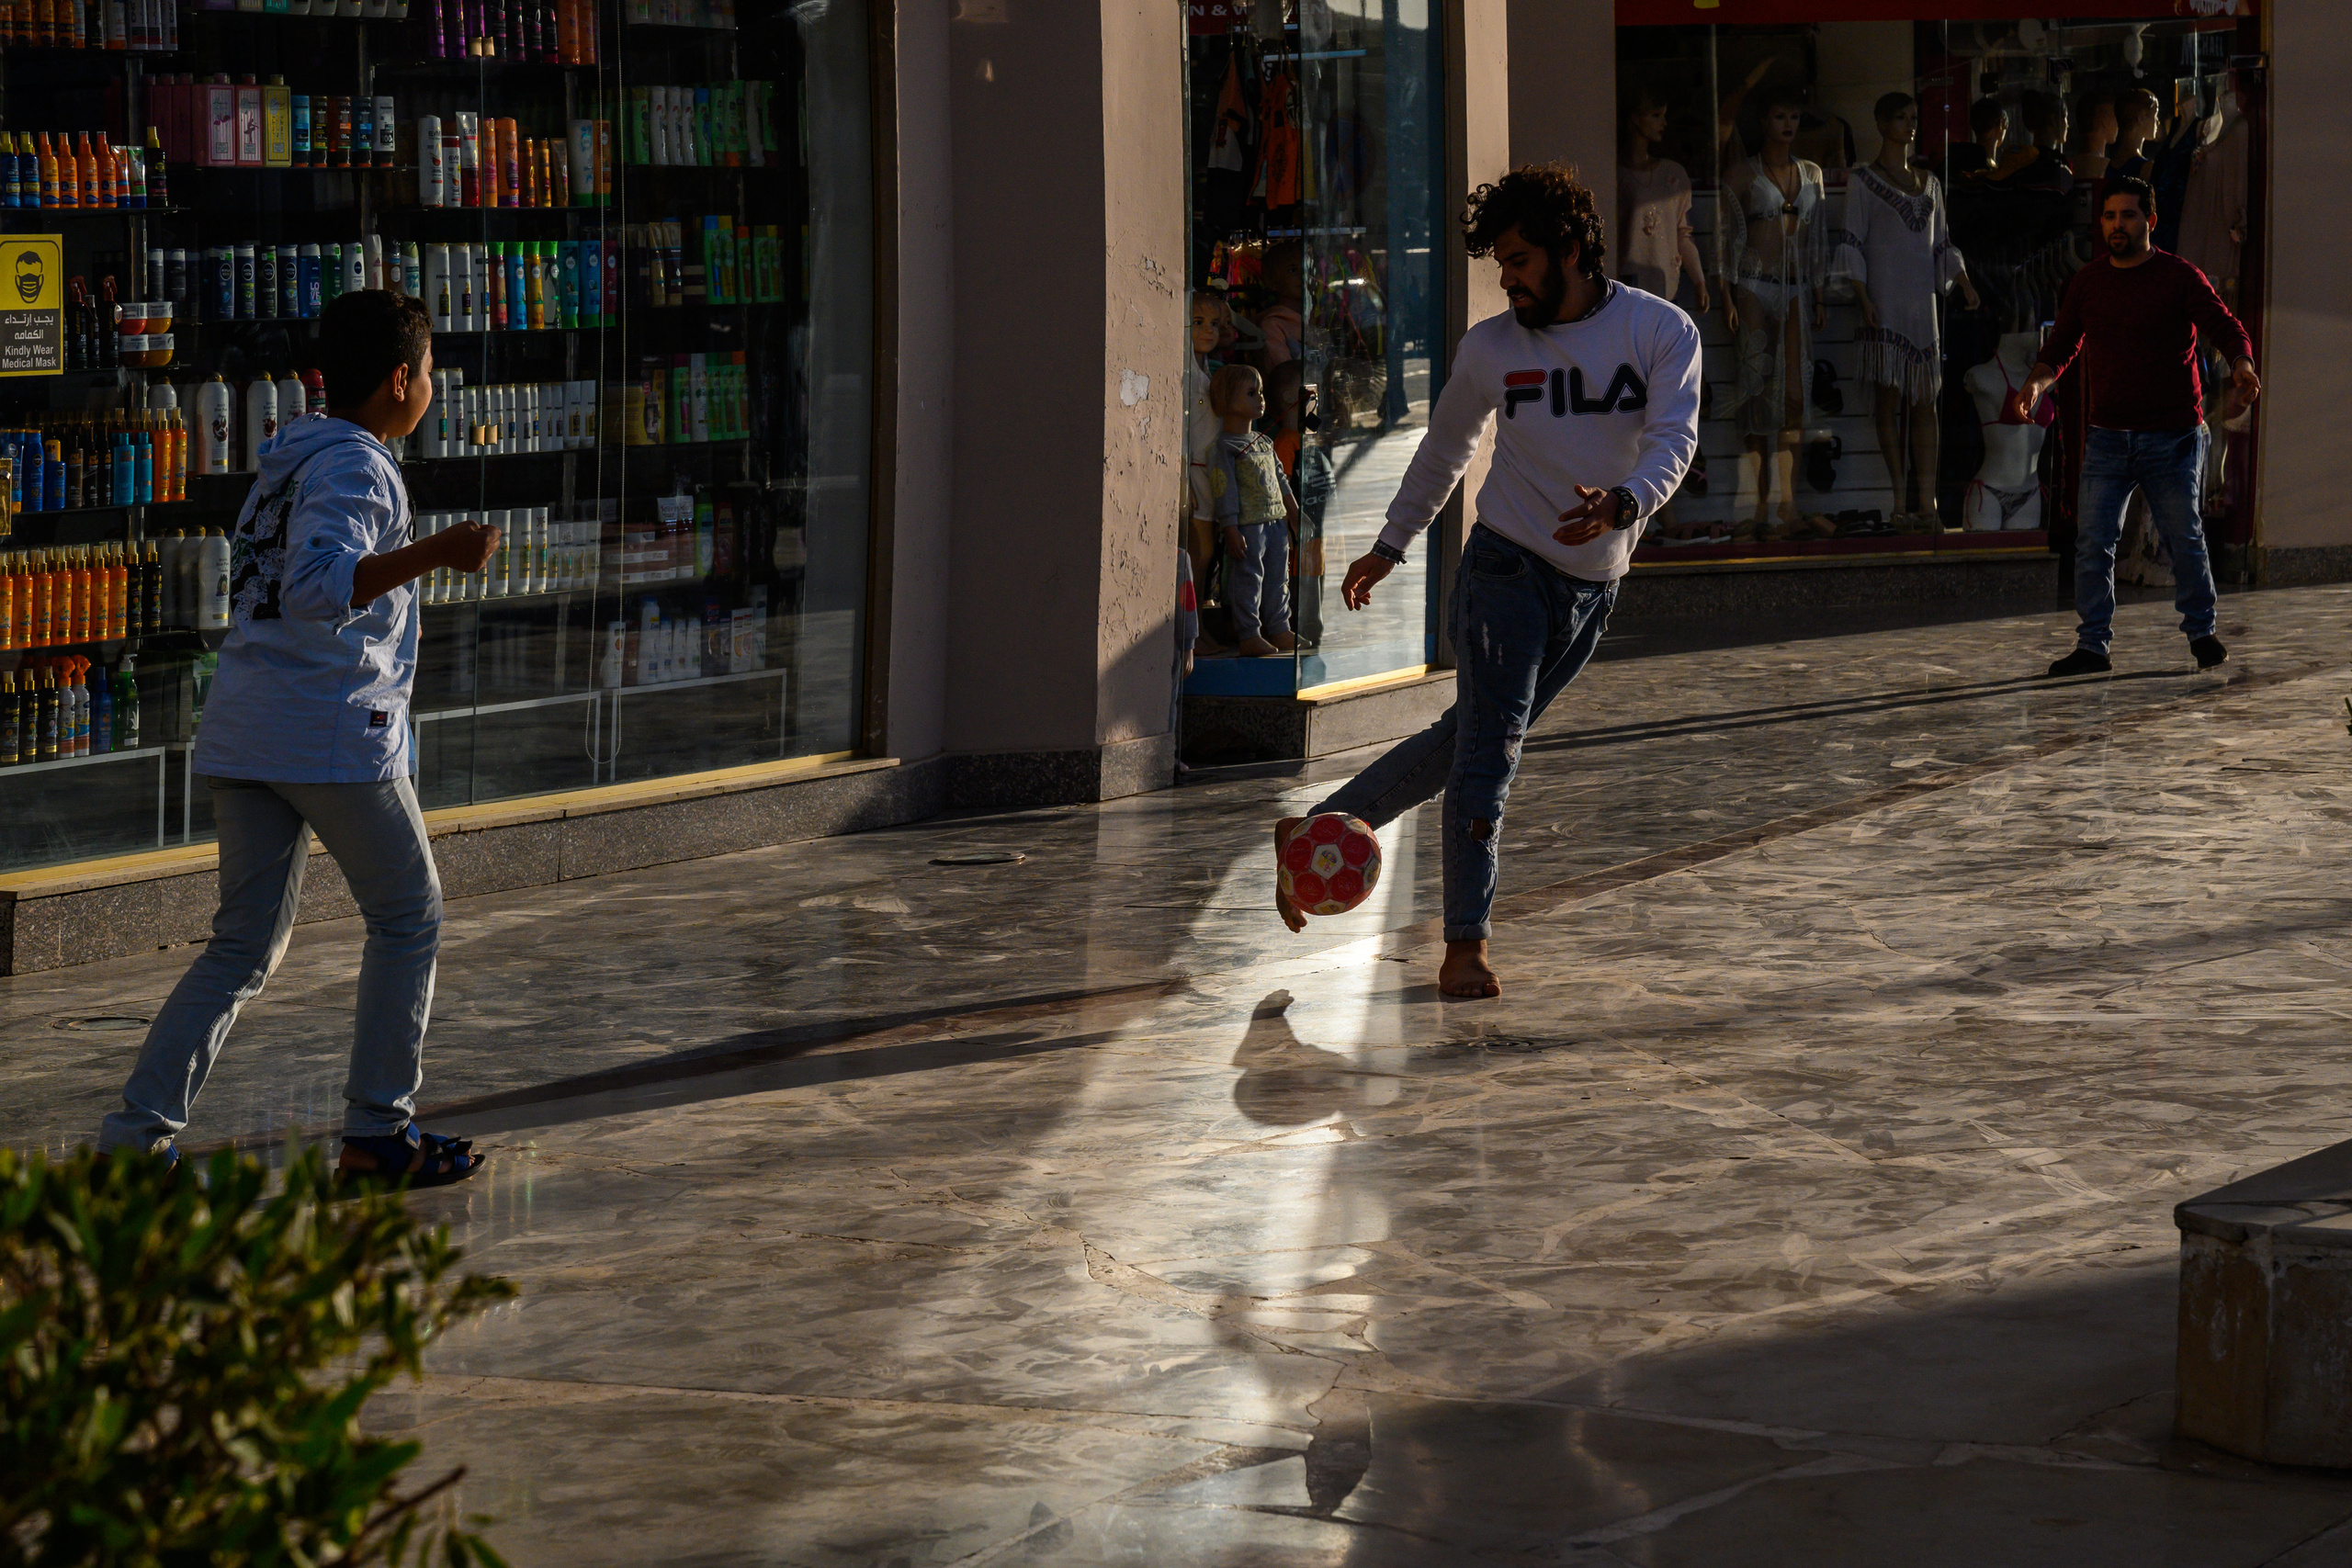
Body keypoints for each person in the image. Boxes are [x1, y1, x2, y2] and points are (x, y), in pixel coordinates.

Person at [97, 289, 501, 1186]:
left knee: (242, 946)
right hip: (328, 733)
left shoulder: (289, 460)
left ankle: (133, 1146)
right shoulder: (356, 468)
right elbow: (322, 586)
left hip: (248, 730)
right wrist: (439, 552)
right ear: (400, 381)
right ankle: (377, 1135)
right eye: (428, 371)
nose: (431, 385)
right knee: (408, 916)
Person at [1273, 164, 1702, 999]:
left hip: (1595, 582)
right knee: (1489, 757)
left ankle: (1320, 827)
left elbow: (1673, 438)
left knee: (1468, 736)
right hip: (1505, 567)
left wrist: (1624, 503)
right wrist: (1390, 544)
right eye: (1499, 264)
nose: (1506, 280)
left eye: (1518, 261)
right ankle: (1463, 944)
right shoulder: (1492, 346)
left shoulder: (1661, 330)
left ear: (1571, 250)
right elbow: (1446, 449)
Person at [2010, 176, 2256, 676]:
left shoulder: (2178, 276)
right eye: (2108, 216)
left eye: (2126, 215)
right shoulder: (2089, 282)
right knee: (2093, 541)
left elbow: (2222, 324)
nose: (2116, 225)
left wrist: (2243, 365)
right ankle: (2093, 644)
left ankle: (2202, 632)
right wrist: (2037, 384)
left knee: (2182, 536)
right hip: (2108, 435)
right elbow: (2061, 346)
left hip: (2173, 435)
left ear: (2150, 220)